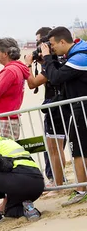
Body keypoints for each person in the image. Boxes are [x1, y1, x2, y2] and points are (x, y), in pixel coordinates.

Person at [39, 26, 87, 206]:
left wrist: (47, 59)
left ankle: (81, 190)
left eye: (52, 45)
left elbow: (56, 78)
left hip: (83, 109)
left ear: (62, 42)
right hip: (80, 108)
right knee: (82, 149)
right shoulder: (79, 52)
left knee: (78, 150)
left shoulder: (80, 57)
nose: (52, 49)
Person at [25, 27, 67, 186]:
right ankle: (58, 181)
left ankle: (58, 182)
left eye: (39, 43)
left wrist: (28, 66)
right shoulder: (59, 59)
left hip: (56, 106)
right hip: (59, 105)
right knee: (56, 147)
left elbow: (32, 83)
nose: (37, 47)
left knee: (55, 148)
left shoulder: (54, 62)